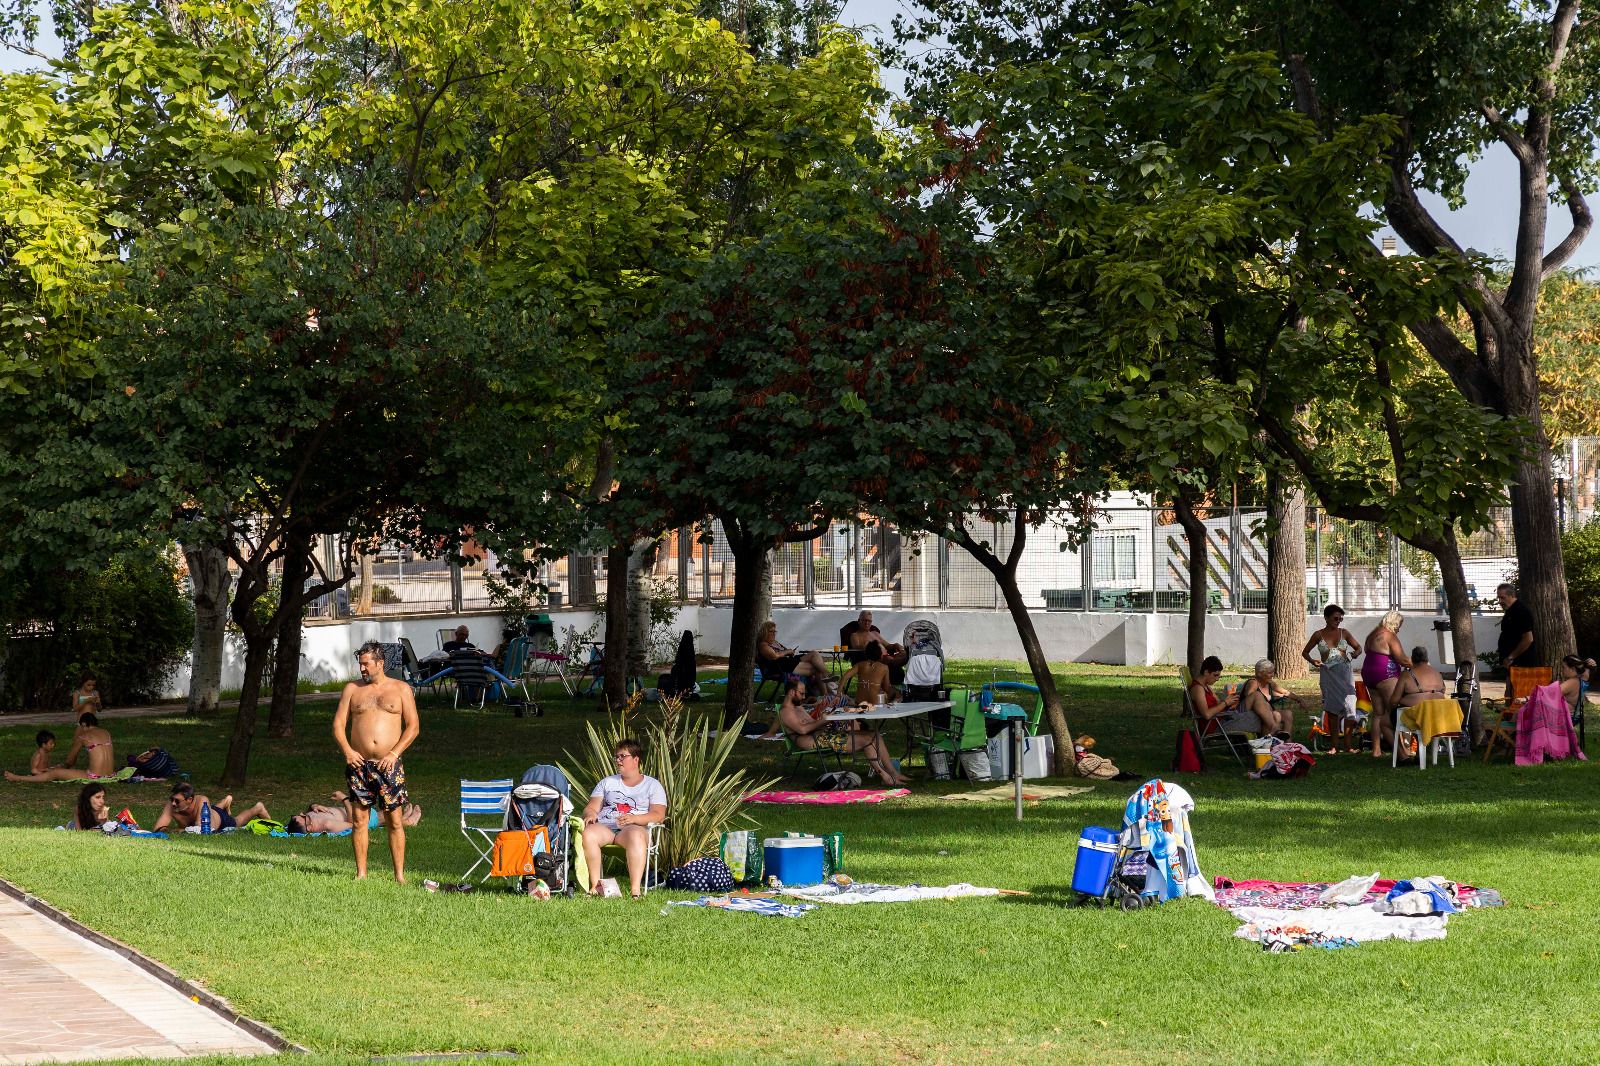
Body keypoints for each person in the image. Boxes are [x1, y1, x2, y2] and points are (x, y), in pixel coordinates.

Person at [333, 640, 421, 882]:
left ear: (380, 663)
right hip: (359, 765)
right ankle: (361, 873)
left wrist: (394, 754)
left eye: (366, 664)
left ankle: (399, 876)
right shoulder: (352, 689)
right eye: (360, 664)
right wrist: (348, 752)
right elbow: (339, 726)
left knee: (395, 820)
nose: (362, 668)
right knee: (359, 820)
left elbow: (413, 727)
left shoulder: (401, 689)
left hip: (389, 765)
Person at [774, 676, 909, 785]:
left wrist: (827, 717)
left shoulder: (798, 708)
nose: (804, 697)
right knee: (867, 739)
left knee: (875, 734)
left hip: (824, 735)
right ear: (792, 692)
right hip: (816, 740)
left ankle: (893, 773)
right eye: (801, 693)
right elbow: (803, 730)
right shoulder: (786, 712)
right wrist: (825, 719)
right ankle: (885, 776)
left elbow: (812, 724)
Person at [581, 738, 668, 899]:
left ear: (636, 759)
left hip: (633, 830)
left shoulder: (652, 785)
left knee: (635, 834)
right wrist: (591, 814)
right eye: (616, 757)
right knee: (589, 833)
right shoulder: (607, 783)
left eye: (622, 756)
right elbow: (591, 807)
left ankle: (635, 890)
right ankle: (595, 886)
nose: (618, 760)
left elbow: (658, 815)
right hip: (606, 828)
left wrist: (634, 818)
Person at [1302, 604, 1362, 751]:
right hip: (1328, 675)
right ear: (1326, 618)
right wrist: (1313, 661)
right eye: (1336, 618)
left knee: (1350, 708)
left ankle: (1348, 745)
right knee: (1332, 710)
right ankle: (1334, 745)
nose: (1338, 621)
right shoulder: (1318, 635)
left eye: (1341, 618)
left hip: (1345, 674)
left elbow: (1359, 648)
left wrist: (1355, 653)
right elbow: (1305, 652)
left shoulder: (1344, 633)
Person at [6, 712, 115, 782]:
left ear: (83, 724)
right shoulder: (106, 732)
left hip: (95, 777)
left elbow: (70, 761)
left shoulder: (83, 737)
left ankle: (18, 778)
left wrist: (59, 768)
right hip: (110, 775)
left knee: (55, 773)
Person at [1361, 610, 1411, 757]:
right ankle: (1404, 750)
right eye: (1399, 624)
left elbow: (1367, 651)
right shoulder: (1389, 635)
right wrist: (1420, 666)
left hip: (1369, 674)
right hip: (1385, 674)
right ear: (1394, 623)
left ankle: (1376, 750)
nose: (1399, 628)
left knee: (1378, 713)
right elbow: (1402, 659)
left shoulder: (1372, 634)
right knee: (1397, 710)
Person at [285, 791, 423, 835]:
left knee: (385, 815)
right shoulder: (327, 825)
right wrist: (345, 800)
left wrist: (314, 806)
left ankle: (404, 817)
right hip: (364, 818)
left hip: (362, 813)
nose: (303, 814)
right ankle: (409, 822)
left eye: (304, 814)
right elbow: (352, 824)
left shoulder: (311, 817)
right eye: (303, 817)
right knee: (385, 817)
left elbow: (310, 809)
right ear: (309, 828)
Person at [153, 782, 271, 832]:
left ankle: (258, 808)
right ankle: (225, 801)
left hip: (219, 819)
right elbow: (158, 829)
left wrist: (175, 831)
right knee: (211, 809)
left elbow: (201, 830)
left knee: (237, 821)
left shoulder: (202, 800)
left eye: (177, 801)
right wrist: (176, 831)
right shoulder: (172, 805)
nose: (173, 803)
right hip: (210, 811)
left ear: (189, 800)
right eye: (172, 799)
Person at [1188, 655, 1261, 734]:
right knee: (1259, 718)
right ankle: (1267, 741)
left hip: (1222, 718)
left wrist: (1229, 701)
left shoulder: (1206, 686)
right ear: (1206, 672)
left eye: (1218, 676)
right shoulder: (1198, 689)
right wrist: (1225, 703)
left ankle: (1267, 739)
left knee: (1256, 702)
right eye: (1215, 675)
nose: (1217, 679)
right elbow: (1207, 714)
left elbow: (1218, 702)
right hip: (1216, 725)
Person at [756, 621, 831, 689]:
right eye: (771, 632)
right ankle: (826, 691)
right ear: (764, 632)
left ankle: (827, 676)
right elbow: (775, 656)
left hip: (788, 662)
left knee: (814, 654)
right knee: (817, 669)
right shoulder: (763, 645)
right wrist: (787, 651)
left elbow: (783, 652)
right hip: (782, 667)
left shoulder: (774, 642)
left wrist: (789, 651)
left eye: (775, 632)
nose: (774, 634)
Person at [1239, 659, 1299, 739]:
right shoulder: (1253, 682)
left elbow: (1285, 692)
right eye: (1269, 673)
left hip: (1265, 713)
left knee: (1287, 714)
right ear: (1260, 674)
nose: (1272, 675)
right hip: (1248, 713)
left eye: (1273, 672)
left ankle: (1288, 743)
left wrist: (1299, 700)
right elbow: (1250, 697)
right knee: (1274, 713)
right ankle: (1272, 733)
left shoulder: (1270, 683)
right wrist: (1266, 701)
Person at [1496, 583, 1540, 672]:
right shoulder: (1510, 611)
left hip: (1521, 662)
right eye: (1498, 598)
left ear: (1511, 595)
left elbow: (1528, 638)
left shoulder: (1520, 611)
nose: (1500, 601)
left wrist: (1511, 657)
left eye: (1502, 598)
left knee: (1519, 686)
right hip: (1512, 663)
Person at [840, 641, 896, 707]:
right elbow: (886, 688)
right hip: (874, 704)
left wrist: (838, 695)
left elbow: (844, 677)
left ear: (866, 653)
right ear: (880, 655)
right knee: (894, 692)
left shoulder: (859, 665)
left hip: (859, 703)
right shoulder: (884, 668)